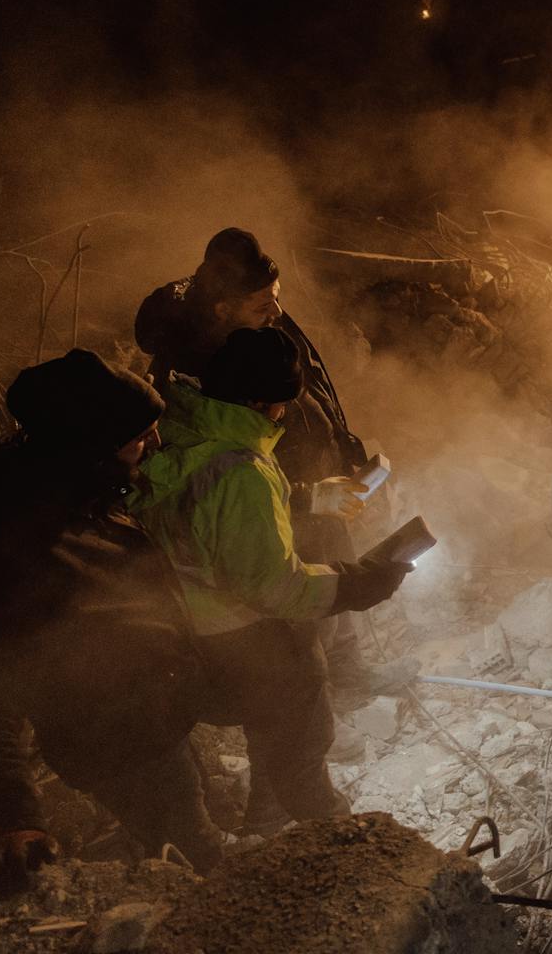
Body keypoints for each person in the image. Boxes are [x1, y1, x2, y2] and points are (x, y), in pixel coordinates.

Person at [0, 350, 224, 889]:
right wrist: (12, 820)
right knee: (196, 850)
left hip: (147, 716)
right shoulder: (34, 545)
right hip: (118, 741)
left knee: (185, 810)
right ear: (92, 446)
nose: (156, 444)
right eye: (141, 435)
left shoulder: (77, 493)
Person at [132, 327, 412, 832]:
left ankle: (273, 815)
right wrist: (361, 582)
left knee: (277, 728)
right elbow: (275, 587)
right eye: (282, 404)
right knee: (295, 732)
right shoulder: (243, 470)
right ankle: (315, 829)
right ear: (261, 401)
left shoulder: (180, 424)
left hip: (188, 621)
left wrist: (305, 498)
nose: (284, 415)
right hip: (244, 632)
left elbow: (203, 502)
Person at [136, 227, 412, 701]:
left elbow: (311, 387)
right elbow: (219, 467)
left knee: (331, 566)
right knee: (296, 603)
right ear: (223, 309)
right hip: (267, 499)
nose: (278, 313)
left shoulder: (258, 324)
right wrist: (301, 495)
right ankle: (318, 697)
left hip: (305, 483)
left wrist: (341, 449)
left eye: (276, 299)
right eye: (264, 305)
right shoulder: (195, 369)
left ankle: (347, 673)